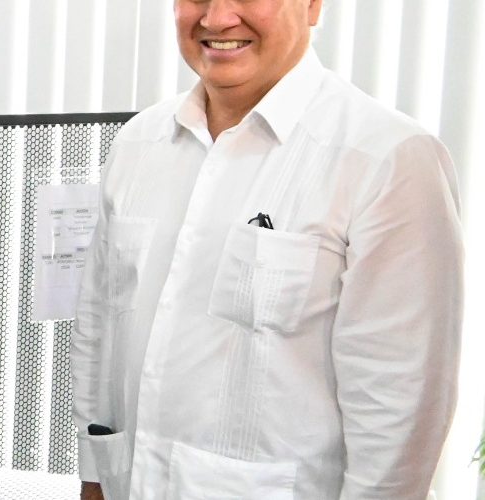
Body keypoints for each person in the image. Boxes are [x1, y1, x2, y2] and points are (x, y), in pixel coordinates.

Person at [72, 0, 462, 498]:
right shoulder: (139, 142)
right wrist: (94, 476)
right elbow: (99, 325)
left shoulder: (386, 157)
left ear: (312, 6)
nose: (216, 19)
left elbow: (399, 400)